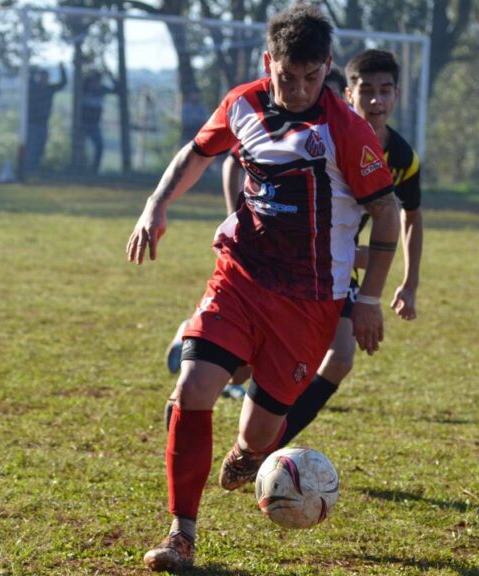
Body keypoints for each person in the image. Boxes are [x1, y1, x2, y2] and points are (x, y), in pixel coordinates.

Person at [127, 4, 399, 571]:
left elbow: (388, 213)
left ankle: (249, 453)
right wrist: (157, 204)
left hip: (310, 302)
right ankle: (182, 533)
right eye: (286, 76)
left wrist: (368, 298)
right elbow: (198, 152)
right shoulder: (242, 102)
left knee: (259, 435)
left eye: (311, 77)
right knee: (193, 388)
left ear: (327, 67)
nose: (299, 89)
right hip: (241, 276)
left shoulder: (345, 132)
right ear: (267, 61)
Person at [161, 67, 354, 406]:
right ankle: (193, 344)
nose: (322, 100)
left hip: (327, 270)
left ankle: (206, 360)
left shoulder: (354, 138)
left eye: (335, 96)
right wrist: (234, 212)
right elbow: (230, 159)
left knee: (322, 356)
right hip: (274, 264)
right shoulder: (288, 133)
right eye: (328, 93)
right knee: (246, 361)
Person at [276, 48, 423, 448]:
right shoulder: (323, 137)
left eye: (386, 91)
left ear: (396, 95)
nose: (377, 101)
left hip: (337, 266)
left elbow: (410, 215)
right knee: (250, 361)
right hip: (289, 260)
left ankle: (269, 446)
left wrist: (408, 283)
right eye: (368, 91)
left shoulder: (403, 158)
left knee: (340, 359)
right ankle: (197, 348)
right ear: (349, 94)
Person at [25, 64, 67, 174]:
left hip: (43, 124)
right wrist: (33, 70)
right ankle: (28, 170)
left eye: (46, 77)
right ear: (39, 78)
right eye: (42, 77)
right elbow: (28, 79)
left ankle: (34, 170)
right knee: (31, 148)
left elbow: (63, 83)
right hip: (32, 123)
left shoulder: (49, 89)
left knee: (40, 148)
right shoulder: (33, 87)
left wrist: (62, 69)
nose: (44, 79)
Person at [80, 69, 114, 174]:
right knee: (80, 148)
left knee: (99, 147)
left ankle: (94, 170)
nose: (95, 84)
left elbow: (118, 89)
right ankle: (81, 169)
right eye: (93, 81)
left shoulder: (102, 90)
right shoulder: (84, 89)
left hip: (95, 125)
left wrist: (110, 76)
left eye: (97, 81)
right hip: (83, 125)